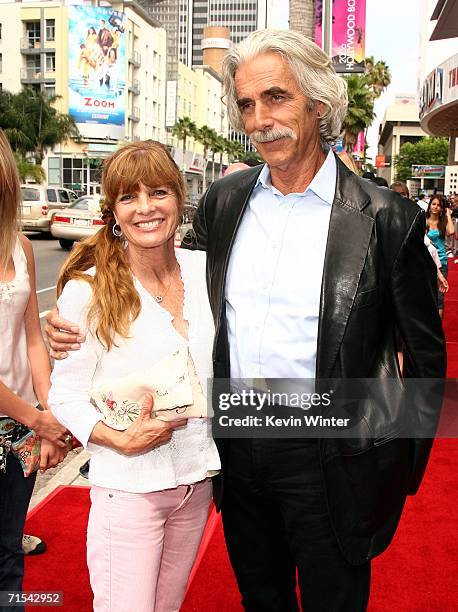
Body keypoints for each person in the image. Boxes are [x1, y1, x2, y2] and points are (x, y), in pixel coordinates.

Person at [46, 30, 446, 612]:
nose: (259, 119)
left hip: (333, 453)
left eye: (276, 98)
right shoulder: (225, 202)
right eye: (246, 104)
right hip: (235, 451)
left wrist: (396, 469)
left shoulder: (387, 218)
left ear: (317, 103)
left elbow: (426, 357)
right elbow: (159, 265)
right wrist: (73, 303)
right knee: (262, 600)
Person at [47, 141, 220, 612]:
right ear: (114, 211)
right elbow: (64, 394)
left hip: (197, 480)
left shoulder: (208, 272)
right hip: (129, 487)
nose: (146, 208)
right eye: (129, 197)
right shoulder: (91, 289)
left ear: (180, 199)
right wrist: (116, 439)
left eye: (158, 192)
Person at [0, 129, 68, 612]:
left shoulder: (20, 246)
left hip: (21, 427)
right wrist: (37, 418)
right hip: (22, 418)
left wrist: (49, 414)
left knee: (8, 553)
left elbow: (31, 339)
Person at [426, 193, 455, 318]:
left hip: (441, 262)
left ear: (442, 208)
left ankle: (437, 332)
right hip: (426, 262)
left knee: (439, 298)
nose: (436, 207)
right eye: (434, 204)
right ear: (430, 205)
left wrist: (448, 213)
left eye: (439, 205)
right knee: (426, 295)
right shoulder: (424, 220)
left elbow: (452, 231)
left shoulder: (443, 222)